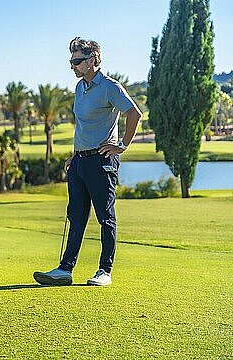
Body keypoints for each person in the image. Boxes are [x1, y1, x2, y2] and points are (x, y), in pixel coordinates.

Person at [34, 37, 142, 286]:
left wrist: (122, 146)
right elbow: (83, 127)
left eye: (77, 61)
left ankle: (105, 271)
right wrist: (74, 154)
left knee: (105, 217)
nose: (72, 65)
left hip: (102, 162)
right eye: (71, 61)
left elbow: (134, 114)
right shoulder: (79, 88)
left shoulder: (110, 87)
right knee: (77, 215)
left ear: (93, 60)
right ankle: (65, 269)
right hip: (80, 162)